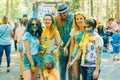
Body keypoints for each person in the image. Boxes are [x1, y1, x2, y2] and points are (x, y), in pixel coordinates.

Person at [55, 2, 73, 80]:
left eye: (65, 12)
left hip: (72, 46)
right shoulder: (56, 20)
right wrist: (58, 44)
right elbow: (55, 33)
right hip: (61, 48)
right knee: (62, 70)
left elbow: (73, 34)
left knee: (71, 70)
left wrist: (67, 46)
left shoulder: (72, 17)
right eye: (62, 13)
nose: (64, 14)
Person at [67, 12, 86, 80]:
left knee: (84, 77)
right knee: (76, 77)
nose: (79, 20)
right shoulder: (73, 30)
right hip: (75, 56)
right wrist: (70, 59)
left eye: (81, 18)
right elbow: (72, 45)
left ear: (84, 19)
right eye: (77, 19)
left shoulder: (87, 30)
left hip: (85, 56)